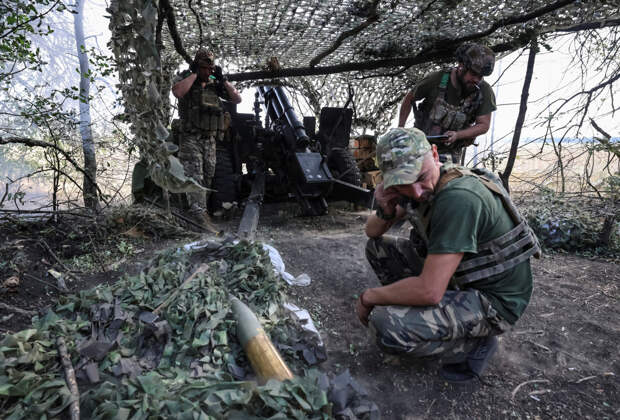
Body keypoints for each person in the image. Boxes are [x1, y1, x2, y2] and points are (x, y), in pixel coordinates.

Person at [357, 127, 539, 382]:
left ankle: (474, 345)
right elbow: (371, 231)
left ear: (434, 153)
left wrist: (369, 297)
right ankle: (432, 319)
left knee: (385, 326)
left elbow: (429, 291)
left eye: (420, 177)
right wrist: (387, 209)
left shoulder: (458, 198)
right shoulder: (427, 181)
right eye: (405, 184)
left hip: (494, 301)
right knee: (379, 249)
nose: (418, 192)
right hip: (462, 279)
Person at [171, 49, 242, 225]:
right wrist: (194, 74)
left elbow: (237, 99)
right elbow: (178, 92)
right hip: (190, 139)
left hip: (209, 140)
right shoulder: (187, 79)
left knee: (208, 177)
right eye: (204, 68)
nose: (208, 72)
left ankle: (198, 213)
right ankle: (199, 217)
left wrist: (222, 79)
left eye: (211, 69)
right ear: (197, 66)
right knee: (195, 176)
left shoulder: (214, 84)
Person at [398, 43, 496, 164]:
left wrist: (457, 135)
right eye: (473, 74)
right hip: (420, 148)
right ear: (461, 66)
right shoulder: (437, 79)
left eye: (480, 76)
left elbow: (483, 125)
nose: (476, 79)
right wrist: (400, 129)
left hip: (450, 154)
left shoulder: (484, 91)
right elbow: (409, 98)